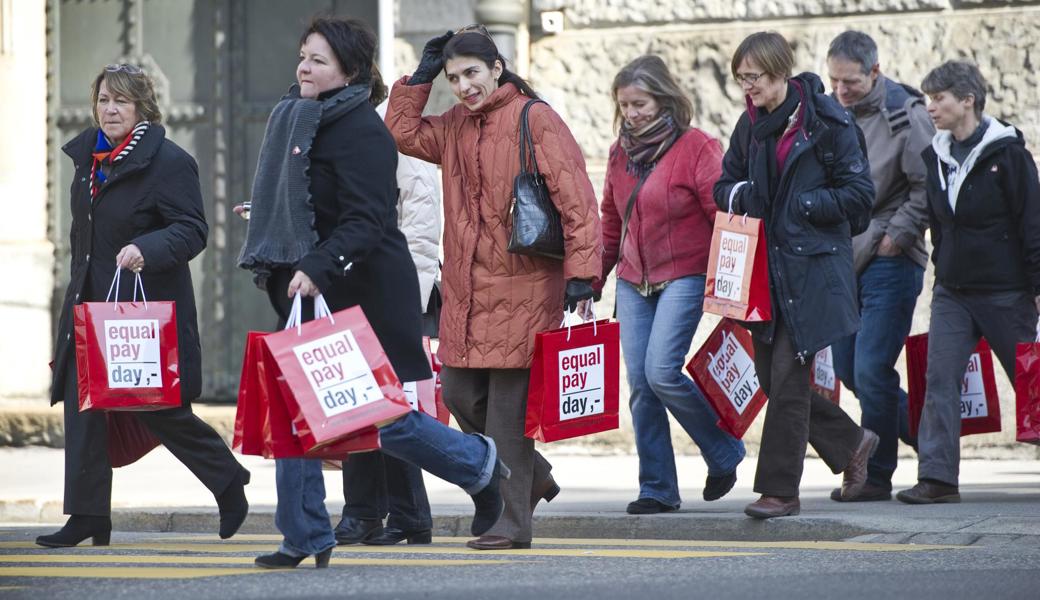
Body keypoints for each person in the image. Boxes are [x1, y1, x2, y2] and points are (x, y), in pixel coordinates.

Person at [236, 16, 507, 568]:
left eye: (318, 60)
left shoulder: (361, 130)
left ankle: (477, 464)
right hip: (309, 291)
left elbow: (367, 219)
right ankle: (305, 535)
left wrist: (316, 260)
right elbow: (310, 201)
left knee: (373, 421)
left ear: (350, 71)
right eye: (303, 56)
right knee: (298, 415)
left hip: (358, 293)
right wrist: (270, 215)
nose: (304, 67)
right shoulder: (297, 118)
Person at [386, 26, 602, 549]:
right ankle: (534, 474)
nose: (462, 86)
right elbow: (402, 132)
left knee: (508, 410)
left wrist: (581, 273)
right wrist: (420, 77)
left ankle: (513, 522)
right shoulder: (455, 124)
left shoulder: (535, 117)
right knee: (459, 392)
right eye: (454, 77)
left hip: (526, 284)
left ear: (496, 68)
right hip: (466, 290)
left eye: (471, 74)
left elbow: (577, 198)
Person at [38, 64, 250, 547]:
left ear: (142, 109)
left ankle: (227, 479)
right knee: (84, 407)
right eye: (103, 100)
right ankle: (89, 515)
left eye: (121, 102)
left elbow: (193, 229)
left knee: (158, 408)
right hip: (90, 306)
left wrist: (147, 248)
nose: (109, 109)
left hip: (141, 309)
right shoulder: (89, 161)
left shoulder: (169, 162)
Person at [712, 31, 879, 519]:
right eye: (741, 79)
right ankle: (852, 442)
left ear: (781, 71)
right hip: (763, 275)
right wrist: (743, 196)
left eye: (756, 77)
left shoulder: (829, 123)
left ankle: (779, 491)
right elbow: (722, 185)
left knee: (786, 378)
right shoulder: (750, 124)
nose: (749, 88)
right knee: (774, 378)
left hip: (813, 273)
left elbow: (859, 199)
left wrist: (801, 205)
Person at [599, 55, 745, 515]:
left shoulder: (697, 147)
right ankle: (657, 488)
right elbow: (609, 219)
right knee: (642, 385)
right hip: (632, 280)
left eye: (640, 103)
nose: (632, 113)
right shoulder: (619, 153)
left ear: (663, 98)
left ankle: (722, 450)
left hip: (685, 273)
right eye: (625, 105)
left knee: (662, 371)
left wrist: (731, 283)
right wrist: (590, 277)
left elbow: (721, 215)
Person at [897, 61, 1040, 505]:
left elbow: (1032, 224)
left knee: (1030, 379)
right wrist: (943, 272)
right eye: (928, 98)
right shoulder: (934, 157)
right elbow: (940, 227)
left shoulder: (1009, 155)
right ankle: (937, 478)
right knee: (939, 380)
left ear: (967, 101)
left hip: (1006, 290)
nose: (930, 107)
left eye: (938, 98)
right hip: (953, 292)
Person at [824, 30, 934, 502]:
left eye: (850, 81)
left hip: (891, 258)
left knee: (872, 368)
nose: (841, 91)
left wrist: (897, 236)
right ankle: (931, 438)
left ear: (875, 71)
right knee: (850, 369)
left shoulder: (907, 115)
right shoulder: (832, 113)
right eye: (834, 82)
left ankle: (876, 474)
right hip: (845, 258)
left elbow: (927, 187)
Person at [334, 104, 442, 547]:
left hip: (392, 293)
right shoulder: (328, 127)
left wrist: (406, 306)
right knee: (358, 404)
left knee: (394, 409)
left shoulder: (390, 133)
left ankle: (410, 513)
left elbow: (420, 228)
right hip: (348, 285)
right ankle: (363, 512)